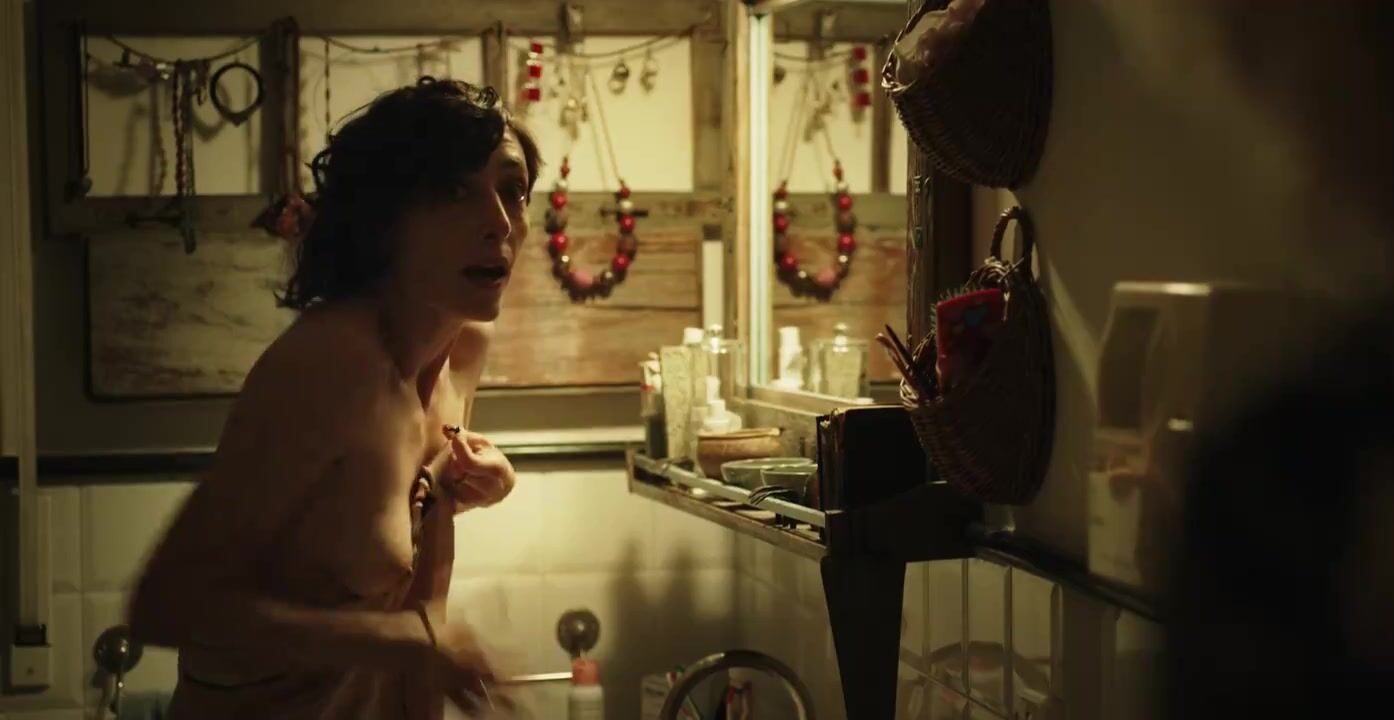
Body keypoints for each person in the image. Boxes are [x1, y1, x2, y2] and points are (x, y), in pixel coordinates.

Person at [127, 78, 542, 719]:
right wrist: (399, 644)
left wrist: (467, 487)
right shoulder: (330, 363)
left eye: (512, 189)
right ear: (386, 220)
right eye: (454, 191)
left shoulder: (464, 346)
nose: (500, 222)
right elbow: (165, 602)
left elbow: (399, 574)